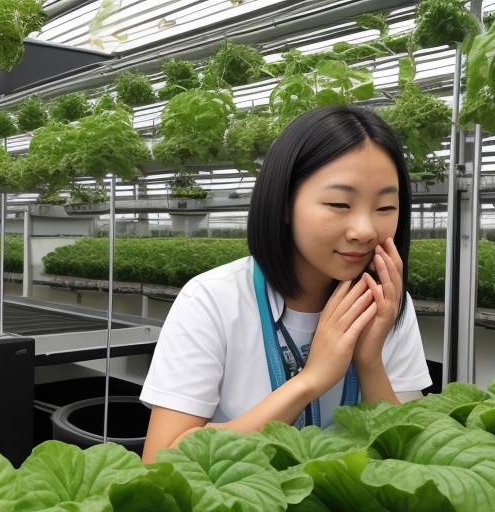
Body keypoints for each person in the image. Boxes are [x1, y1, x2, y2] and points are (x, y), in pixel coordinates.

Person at [140, 105, 432, 463]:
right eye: (340, 203)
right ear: (284, 204)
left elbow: (414, 457)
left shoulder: (388, 303)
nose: (365, 230)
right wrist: (309, 381)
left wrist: (370, 360)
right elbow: (159, 460)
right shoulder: (213, 300)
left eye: (386, 207)